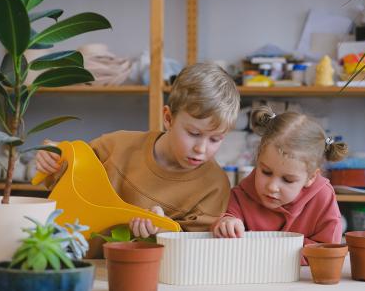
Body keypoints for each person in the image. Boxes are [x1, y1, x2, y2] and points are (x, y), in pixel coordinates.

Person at [35, 63, 240, 255]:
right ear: (168, 118)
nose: (201, 148)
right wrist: (53, 160)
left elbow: (195, 252)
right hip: (69, 261)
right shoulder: (115, 146)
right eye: (193, 133)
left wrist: (164, 233)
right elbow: (67, 180)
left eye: (215, 139)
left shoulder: (214, 186)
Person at [212, 106, 347, 249]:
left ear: (311, 177)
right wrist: (226, 223)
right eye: (266, 172)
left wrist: (275, 250)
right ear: (258, 160)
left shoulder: (322, 198)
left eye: (287, 180)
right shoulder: (242, 194)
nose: (272, 187)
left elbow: (326, 249)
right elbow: (224, 221)